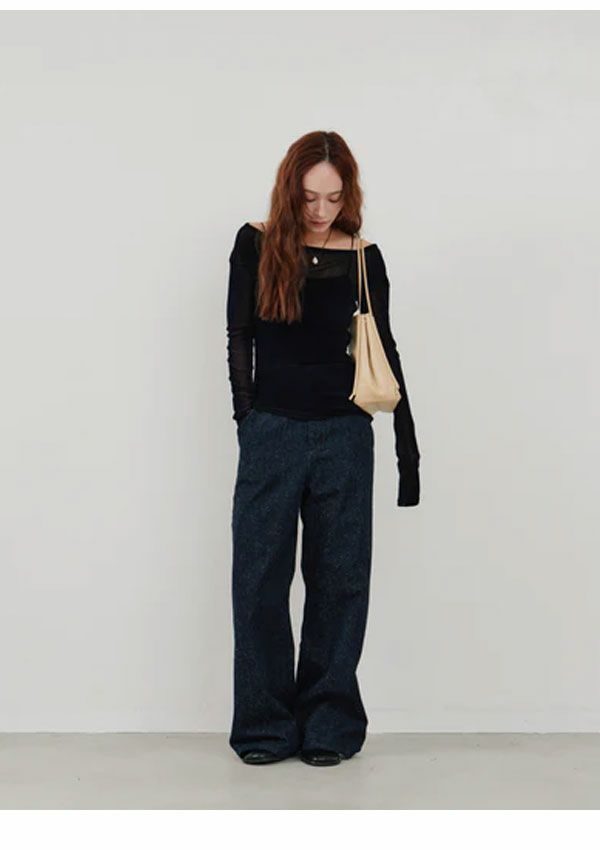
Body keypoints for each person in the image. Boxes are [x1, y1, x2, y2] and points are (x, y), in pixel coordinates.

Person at [225, 130, 421, 767]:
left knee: (340, 582)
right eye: (310, 197)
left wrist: (407, 452)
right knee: (258, 580)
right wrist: (248, 420)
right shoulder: (255, 243)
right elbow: (239, 336)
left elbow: (385, 349)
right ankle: (264, 727)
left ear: (348, 196)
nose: (320, 210)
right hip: (272, 433)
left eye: (334, 198)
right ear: (290, 190)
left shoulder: (364, 258)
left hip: (345, 436)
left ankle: (329, 725)